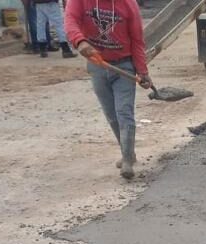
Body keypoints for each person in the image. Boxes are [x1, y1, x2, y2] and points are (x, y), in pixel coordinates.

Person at [65, 0, 152, 179]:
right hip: (97, 65)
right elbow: (70, 19)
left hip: (124, 66)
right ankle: (127, 151)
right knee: (112, 116)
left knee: (124, 113)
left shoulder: (129, 4)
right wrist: (79, 41)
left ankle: (127, 160)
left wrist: (142, 71)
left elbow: (137, 40)